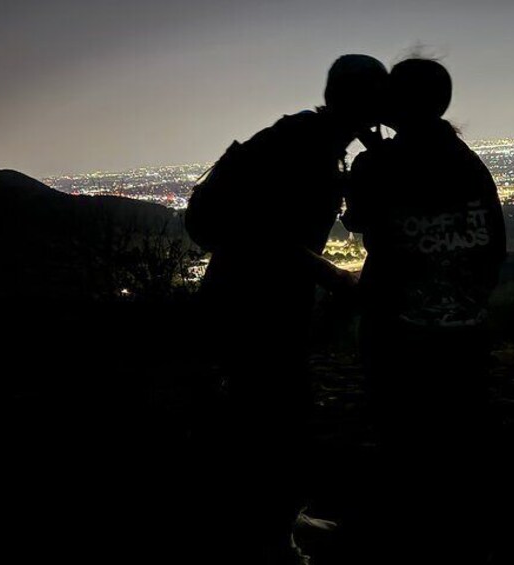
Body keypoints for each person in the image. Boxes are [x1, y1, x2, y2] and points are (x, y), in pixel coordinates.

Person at [187, 54, 388, 564]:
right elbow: (269, 237)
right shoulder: (308, 149)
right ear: (366, 102)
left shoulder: (312, 138)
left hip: (257, 296)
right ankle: (269, 539)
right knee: (274, 413)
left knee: (272, 409)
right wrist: (339, 279)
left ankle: (277, 516)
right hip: (254, 301)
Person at [342, 58, 507, 565]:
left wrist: (368, 160)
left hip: (400, 326)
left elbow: (357, 221)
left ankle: (404, 540)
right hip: (466, 323)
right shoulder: (467, 160)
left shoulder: (379, 164)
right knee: (458, 434)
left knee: (403, 434)